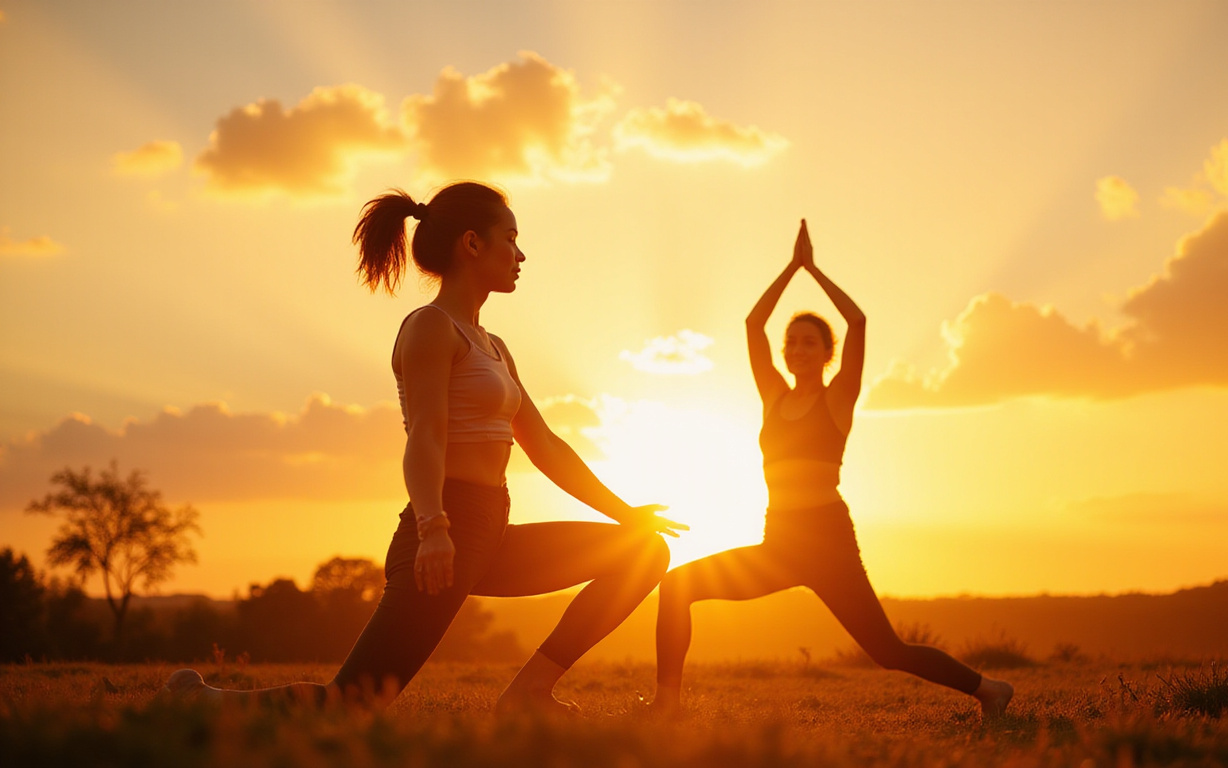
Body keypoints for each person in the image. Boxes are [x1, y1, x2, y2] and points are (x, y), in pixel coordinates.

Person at [163, 181, 685, 713]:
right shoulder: (430, 328)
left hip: (491, 529)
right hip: (445, 531)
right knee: (351, 704)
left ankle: (529, 691)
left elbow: (545, 445)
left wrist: (627, 514)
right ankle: (198, 702)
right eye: (510, 238)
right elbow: (427, 438)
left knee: (644, 551)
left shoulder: (494, 346)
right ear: (472, 244)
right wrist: (434, 527)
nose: (521, 254)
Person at [650, 220, 1013, 718]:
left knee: (888, 652)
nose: (797, 349)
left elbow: (858, 322)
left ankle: (989, 689)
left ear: (827, 353)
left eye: (808, 342)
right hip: (778, 542)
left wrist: (813, 270)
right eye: (791, 343)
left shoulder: (837, 399)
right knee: (677, 586)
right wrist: (788, 269)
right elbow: (753, 326)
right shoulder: (773, 398)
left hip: (827, 542)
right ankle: (666, 704)